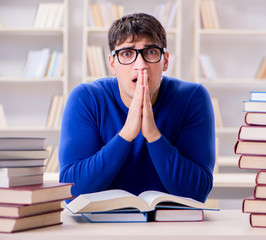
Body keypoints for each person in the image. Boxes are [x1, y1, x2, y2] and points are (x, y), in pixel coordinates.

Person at [58, 13, 215, 203]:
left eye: (150, 52)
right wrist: (125, 135)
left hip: (171, 226)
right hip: (100, 228)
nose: (141, 66)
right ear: (112, 64)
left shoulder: (193, 98)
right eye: (127, 54)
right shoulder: (86, 98)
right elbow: (71, 192)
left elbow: (198, 192)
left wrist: (153, 135)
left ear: (165, 61)